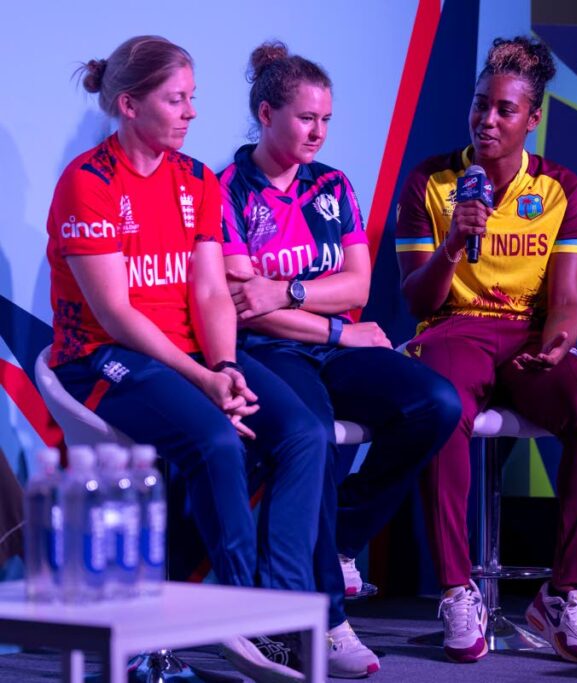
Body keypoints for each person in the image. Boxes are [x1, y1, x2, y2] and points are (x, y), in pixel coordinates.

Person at [46, 35, 332, 681]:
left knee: (304, 433)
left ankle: (282, 612)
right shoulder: (88, 183)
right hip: (102, 356)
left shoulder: (198, 178)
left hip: (195, 353)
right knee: (215, 440)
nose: (190, 112)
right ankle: (235, 611)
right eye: (175, 99)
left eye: (192, 98)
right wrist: (203, 378)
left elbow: (209, 289)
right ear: (128, 104)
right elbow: (117, 313)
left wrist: (226, 365)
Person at [218, 41, 462, 678]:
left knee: (435, 404)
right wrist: (332, 329)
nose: (318, 131)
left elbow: (357, 286)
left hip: (330, 341)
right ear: (266, 113)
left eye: (326, 119)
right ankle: (325, 620)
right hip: (272, 352)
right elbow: (248, 310)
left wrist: (297, 293)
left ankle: (342, 539)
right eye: (305, 118)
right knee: (316, 436)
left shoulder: (333, 184)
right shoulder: (226, 189)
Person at [395, 36, 577, 664]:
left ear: (532, 118)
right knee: (442, 411)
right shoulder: (431, 182)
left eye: (505, 110)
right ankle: (457, 588)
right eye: (480, 105)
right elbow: (416, 300)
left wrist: (558, 346)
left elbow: (569, 301)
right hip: (454, 326)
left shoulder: (560, 189)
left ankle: (564, 594)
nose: (487, 120)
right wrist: (454, 242)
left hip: (527, 332)